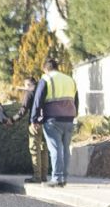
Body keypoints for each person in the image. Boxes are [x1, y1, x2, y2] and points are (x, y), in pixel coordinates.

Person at [31, 57, 78, 187]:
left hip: (52, 119)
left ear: (45, 68)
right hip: (69, 119)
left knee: (55, 149)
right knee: (65, 149)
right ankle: (63, 178)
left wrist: (34, 119)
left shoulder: (46, 79)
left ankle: (56, 179)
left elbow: (38, 100)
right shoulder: (70, 80)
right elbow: (76, 100)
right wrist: (74, 114)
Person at [5, 77, 49, 184]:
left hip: (35, 124)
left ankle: (37, 177)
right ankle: (43, 176)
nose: (25, 88)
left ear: (29, 85)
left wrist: (12, 119)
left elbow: (23, 110)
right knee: (44, 149)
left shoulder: (29, 93)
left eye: (25, 86)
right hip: (47, 123)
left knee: (35, 150)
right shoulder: (44, 91)